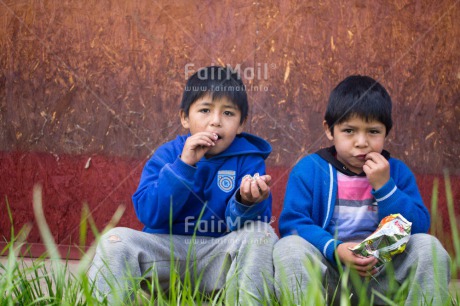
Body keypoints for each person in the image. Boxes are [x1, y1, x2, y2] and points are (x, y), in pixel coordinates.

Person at [88, 66, 278, 304]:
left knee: (262, 235)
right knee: (114, 241)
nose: (216, 122)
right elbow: (150, 213)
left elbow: (245, 225)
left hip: (219, 257)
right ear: (185, 118)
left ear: (241, 124)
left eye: (228, 113)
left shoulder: (249, 159)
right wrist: (183, 165)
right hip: (166, 256)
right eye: (205, 110)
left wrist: (246, 202)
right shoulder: (168, 154)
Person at [273, 75, 451, 305]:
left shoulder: (396, 172)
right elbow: (293, 224)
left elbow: (418, 226)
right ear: (329, 130)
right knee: (289, 247)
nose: (361, 142)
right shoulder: (310, 169)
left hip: (382, 280)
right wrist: (335, 249)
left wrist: (385, 188)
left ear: (386, 131)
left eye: (373, 132)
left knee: (429, 247)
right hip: (329, 279)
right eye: (349, 130)